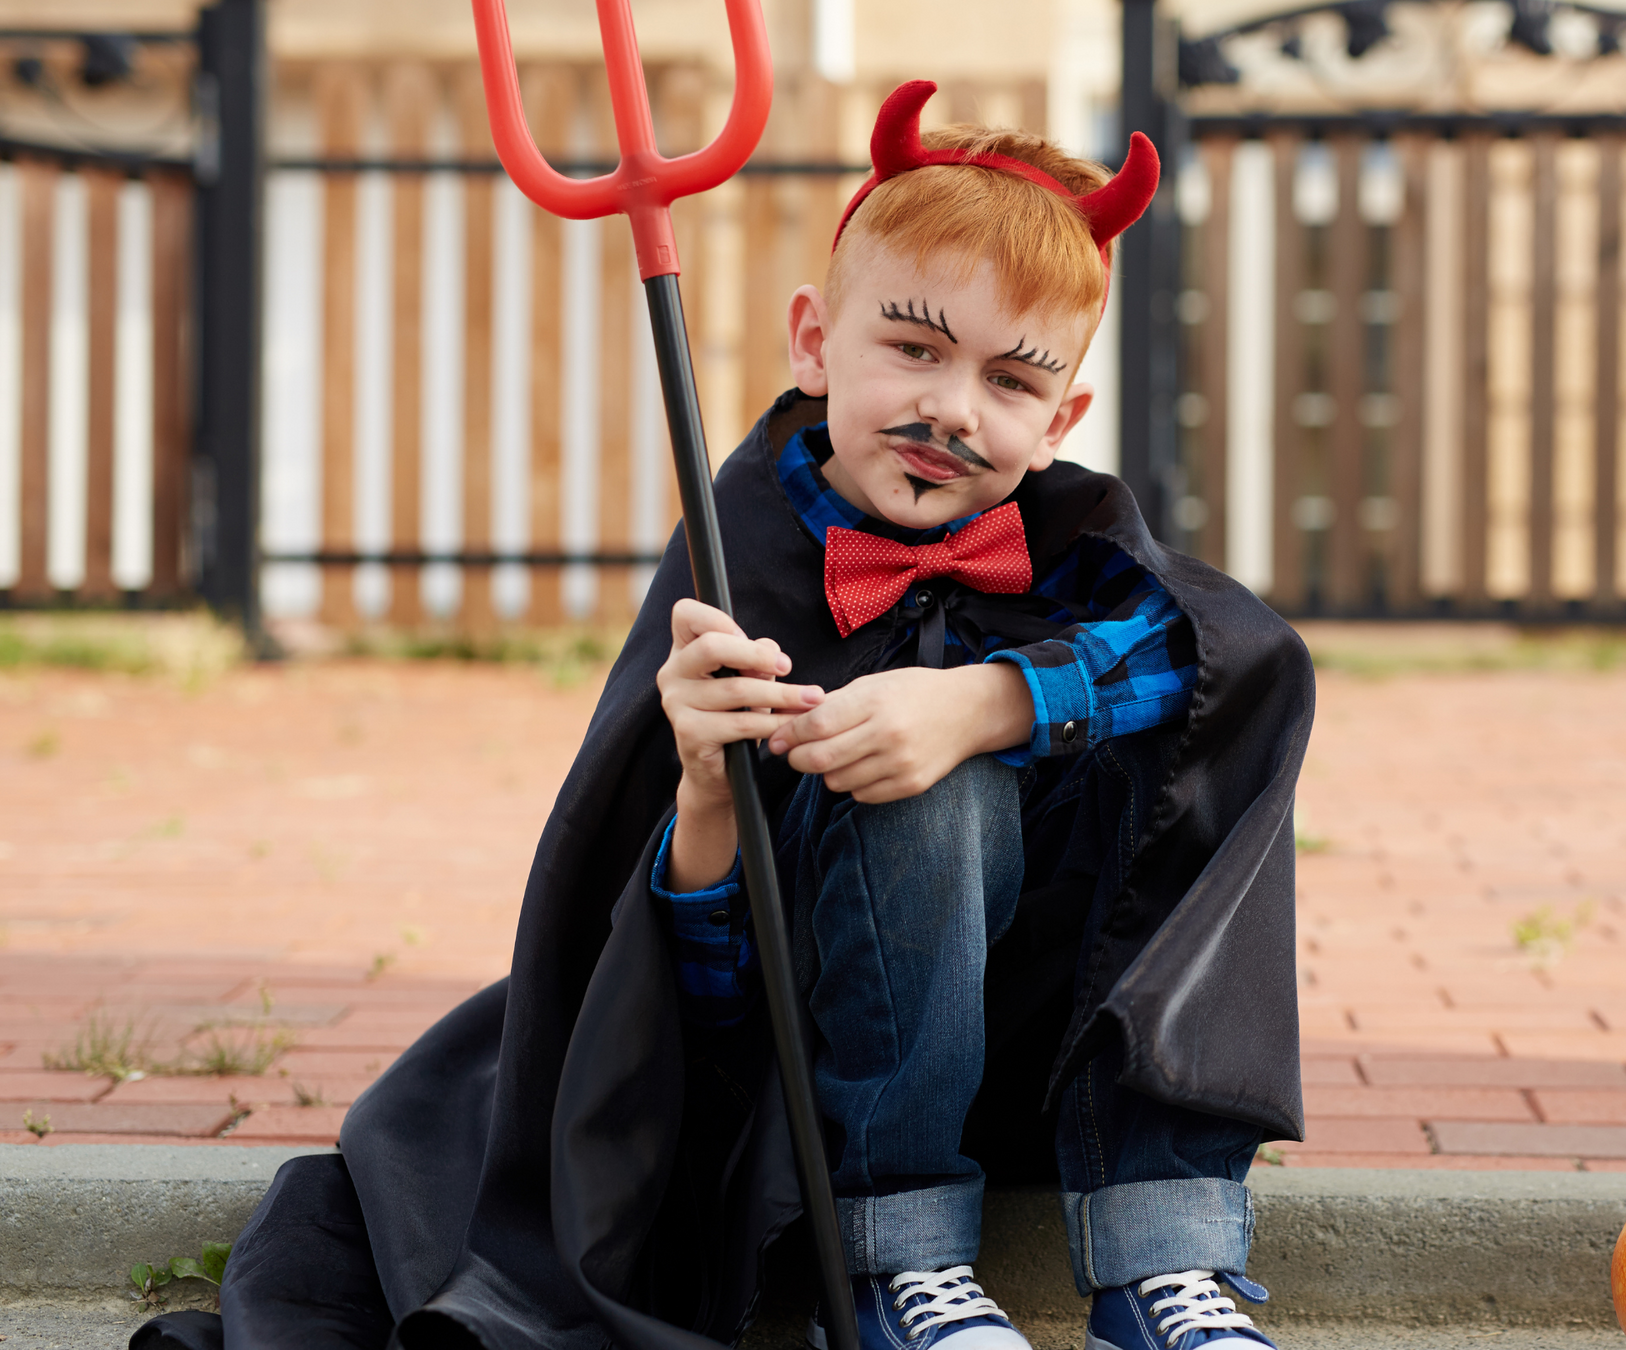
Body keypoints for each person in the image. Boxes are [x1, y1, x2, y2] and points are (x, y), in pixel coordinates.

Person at [136, 80, 1310, 1350]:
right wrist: (706, 794)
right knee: (922, 788)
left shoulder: (1076, 548)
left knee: (1192, 716)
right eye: (912, 348)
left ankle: (1161, 1261)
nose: (953, 409)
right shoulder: (735, 555)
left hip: (1037, 1049)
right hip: (805, 1072)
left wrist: (990, 702)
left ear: (1059, 422)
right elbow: (692, 986)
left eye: (1010, 381)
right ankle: (900, 1261)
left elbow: (1234, 668)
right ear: (815, 342)